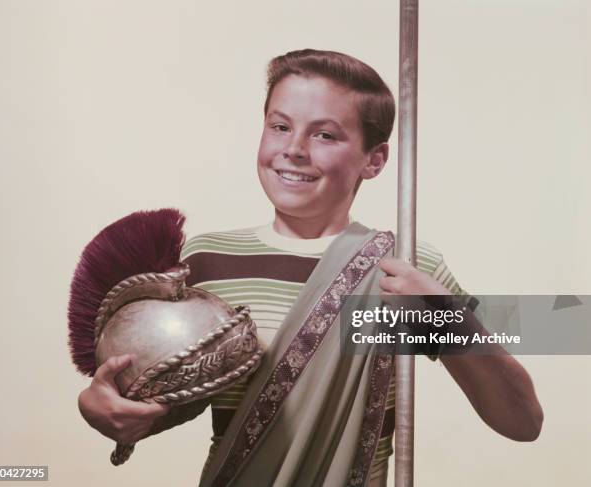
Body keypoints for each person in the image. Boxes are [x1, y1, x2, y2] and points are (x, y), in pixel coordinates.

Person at [78, 49, 543, 486]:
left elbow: (521, 421)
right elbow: (169, 404)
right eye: (280, 126)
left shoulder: (405, 268)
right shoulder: (206, 258)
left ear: (374, 159)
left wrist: (447, 318)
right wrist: (103, 407)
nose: (295, 149)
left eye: (325, 134)